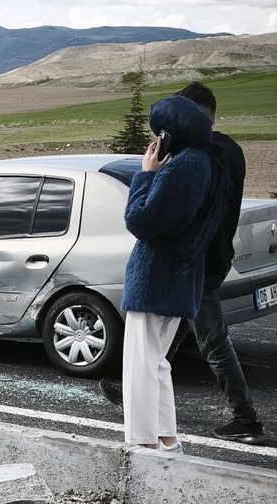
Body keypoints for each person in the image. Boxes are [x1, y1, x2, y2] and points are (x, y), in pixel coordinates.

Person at [100, 83, 263, 445]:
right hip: (207, 256)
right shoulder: (223, 153)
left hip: (183, 263)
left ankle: (244, 417)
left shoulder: (190, 163)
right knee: (163, 351)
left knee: (202, 343)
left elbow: (143, 220)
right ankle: (153, 421)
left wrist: (147, 174)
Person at [120, 95, 227, 452]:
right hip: (181, 275)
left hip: (156, 277)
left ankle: (143, 445)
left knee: (140, 364)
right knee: (157, 362)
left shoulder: (180, 167)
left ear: (166, 135)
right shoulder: (207, 162)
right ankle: (166, 439)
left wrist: (145, 175)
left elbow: (140, 220)